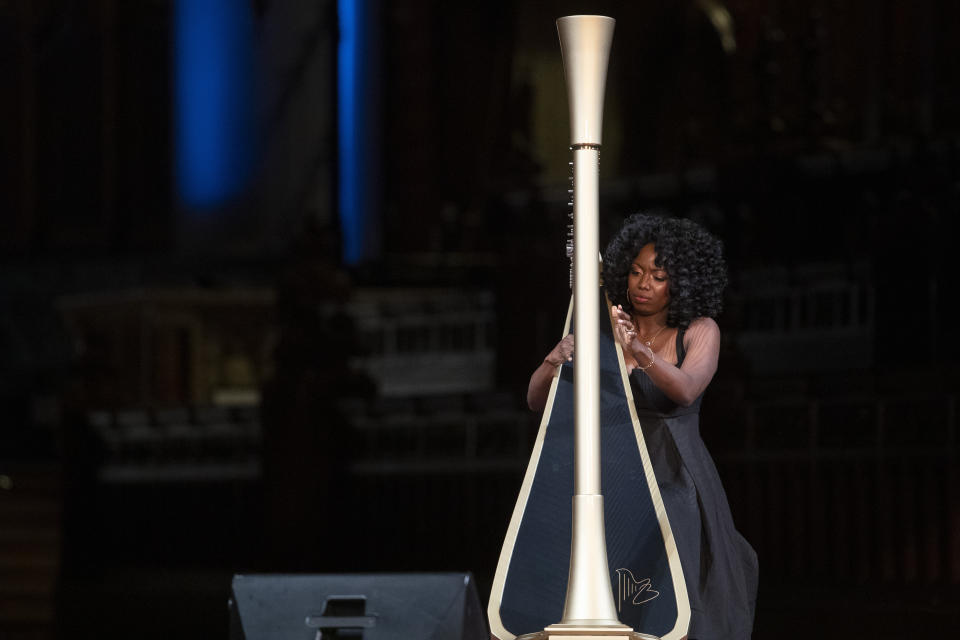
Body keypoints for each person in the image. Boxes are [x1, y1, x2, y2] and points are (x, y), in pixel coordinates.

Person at [527, 213, 758, 640]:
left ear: (682, 281)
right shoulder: (600, 333)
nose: (643, 284)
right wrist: (551, 362)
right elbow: (540, 404)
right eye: (635, 272)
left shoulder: (699, 330)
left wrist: (637, 350)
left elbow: (686, 390)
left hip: (674, 477)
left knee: (674, 592)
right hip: (614, 471)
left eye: (657, 275)